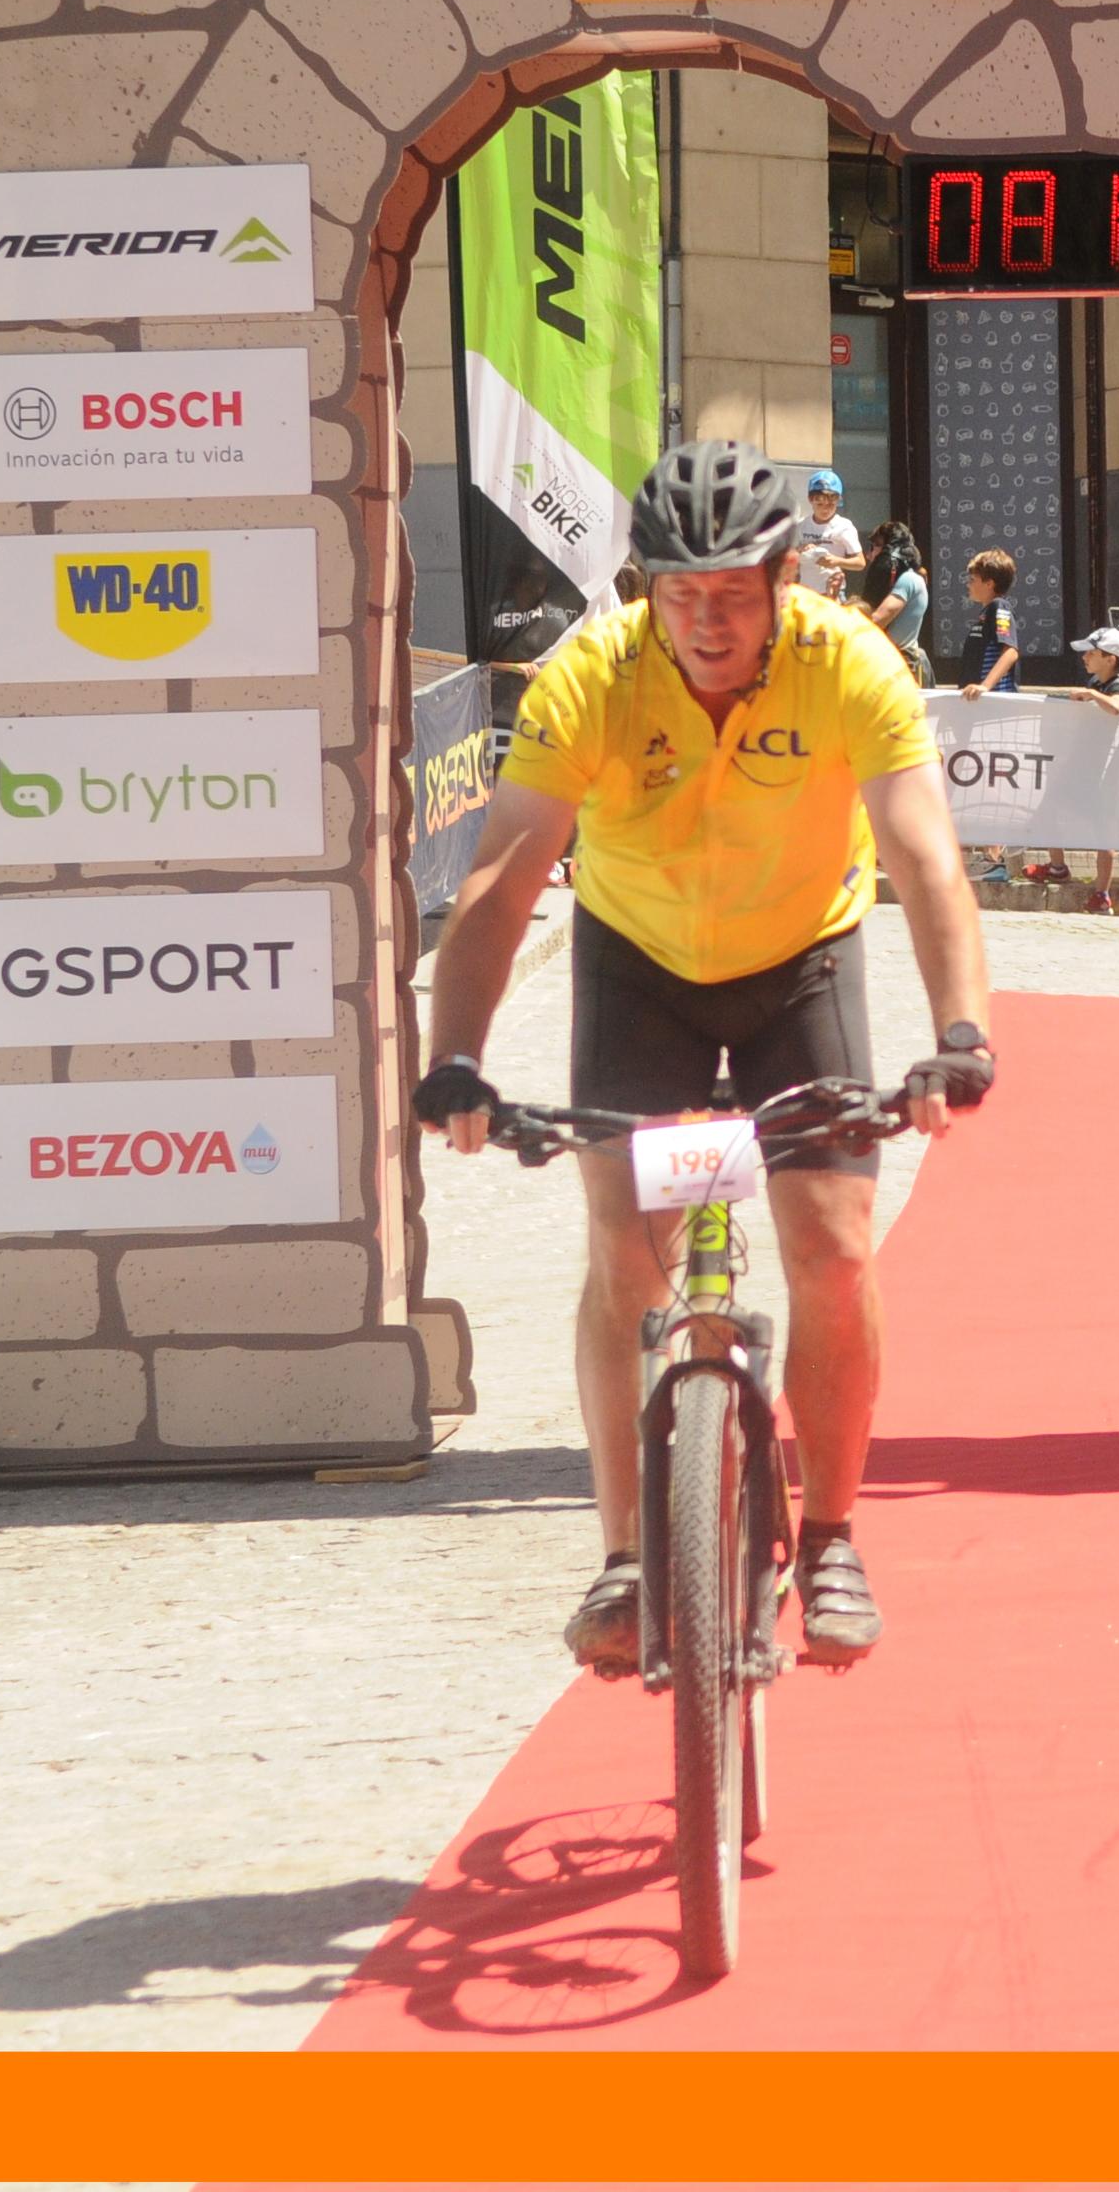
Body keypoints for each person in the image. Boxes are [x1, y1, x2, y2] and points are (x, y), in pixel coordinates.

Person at [417, 441, 996, 1676]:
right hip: (638, 969)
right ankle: (628, 1557)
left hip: (801, 964)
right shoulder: (593, 674)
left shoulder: (849, 663)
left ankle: (830, 1535)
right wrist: (455, 1057)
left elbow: (923, 854)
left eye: (734, 592)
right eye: (681, 594)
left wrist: (958, 1033)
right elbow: (504, 879)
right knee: (627, 1254)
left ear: (786, 578)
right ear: (646, 589)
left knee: (832, 1249)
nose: (708, 621)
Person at [1058, 625, 1119, 914]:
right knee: (1052, 807)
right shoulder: (1095, 681)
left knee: (1105, 832)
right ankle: (1056, 866)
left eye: (1091, 653)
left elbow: (1117, 707)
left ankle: (1102, 893)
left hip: (1109, 770)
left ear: (1110, 659)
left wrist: (1092, 695)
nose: (1084, 658)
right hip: (1085, 764)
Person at [860, 520, 931, 685]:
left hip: (901, 666)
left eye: (874, 547)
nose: (869, 555)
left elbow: (878, 619)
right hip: (889, 663)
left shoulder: (909, 579)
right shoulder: (907, 579)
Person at [950, 547, 1021, 698]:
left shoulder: (999, 606)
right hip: (975, 701)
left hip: (993, 702)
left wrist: (985, 686)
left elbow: (1010, 651)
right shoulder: (986, 613)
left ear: (989, 584)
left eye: (972, 580)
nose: (968, 584)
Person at [795, 468, 862, 598]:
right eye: (820, 504)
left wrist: (836, 561)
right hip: (806, 593)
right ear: (810, 499)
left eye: (831, 504)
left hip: (833, 592)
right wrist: (800, 550)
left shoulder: (844, 526)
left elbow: (860, 562)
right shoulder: (801, 525)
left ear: (838, 501)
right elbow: (788, 557)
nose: (825, 509)